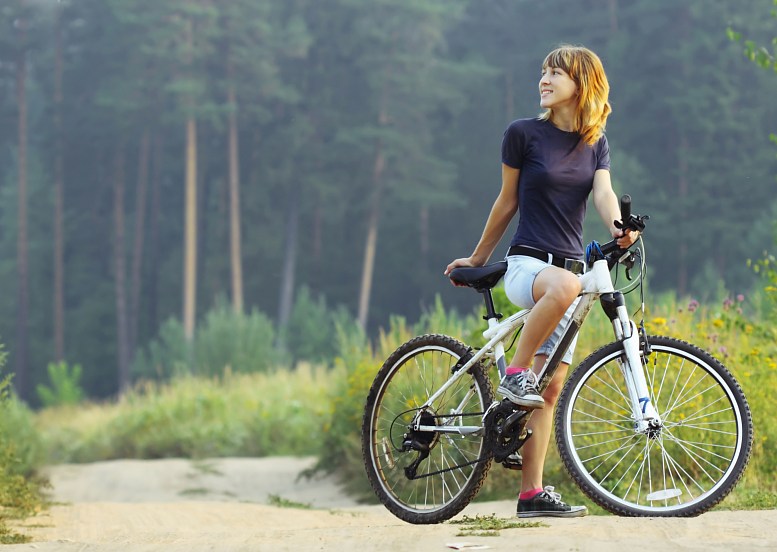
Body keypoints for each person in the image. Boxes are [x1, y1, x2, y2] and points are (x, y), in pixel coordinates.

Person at [444, 45, 639, 518]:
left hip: (566, 275)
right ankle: (514, 373)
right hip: (528, 268)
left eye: (556, 72)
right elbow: (506, 202)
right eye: (543, 72)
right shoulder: (523, 134)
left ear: (582, 83)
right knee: (559, 303)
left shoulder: (595, 142)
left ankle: (531, 494)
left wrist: (618, 226)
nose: (544, 79)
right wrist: (478, 257)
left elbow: (604, 191)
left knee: (550, 389)